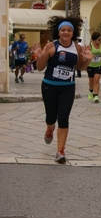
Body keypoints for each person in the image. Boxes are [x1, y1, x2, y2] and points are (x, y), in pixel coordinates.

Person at [32, 16, 93, 163]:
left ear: (73, 33)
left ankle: (60, 151)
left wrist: (88, 59)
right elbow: (40, 68)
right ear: (58, 32)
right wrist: (40, 57)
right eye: (63, 30)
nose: (66, 32)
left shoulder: (77, 48)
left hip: (67, 88)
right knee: (51, 118)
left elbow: (80, 67)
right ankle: (49, 129)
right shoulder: (51, 46)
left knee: (64, 118)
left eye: (69, 30)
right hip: (49, 86)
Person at [87, 31, 101, 103]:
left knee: (96, 80)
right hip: (90, 65)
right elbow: (85, 54)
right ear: (94, 39)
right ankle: (91, 91)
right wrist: (90, 55)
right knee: (91, 80)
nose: (100, 41)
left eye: (100, 39)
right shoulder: (90, 46)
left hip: (99, 65)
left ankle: (96, 96)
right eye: (98, 40)